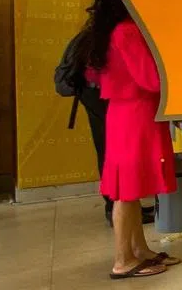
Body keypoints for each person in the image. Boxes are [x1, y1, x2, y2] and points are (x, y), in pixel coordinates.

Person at [78, 0, 180, 279]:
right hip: (137, 111)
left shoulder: (109, 31)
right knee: (126, 190)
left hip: (123, 111)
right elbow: (150, 78)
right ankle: (123, 260)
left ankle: (140, 250)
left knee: (130, 189)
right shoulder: (128, 31)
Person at [57, 29, 155, 227]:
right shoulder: (121, 31)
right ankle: (116, 206)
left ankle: (119, 205)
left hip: (91, 92)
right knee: (114, 152)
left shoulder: (95, 29)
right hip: (104, 94)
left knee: (107, 148)